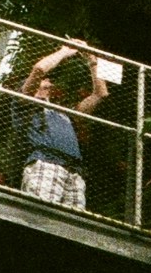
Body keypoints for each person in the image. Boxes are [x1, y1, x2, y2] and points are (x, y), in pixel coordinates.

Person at [13, 41, 107, 211]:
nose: (49, 80)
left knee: (72, 226)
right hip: (45, 163)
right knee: (40, 217)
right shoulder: (25, 104)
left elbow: (100, 94)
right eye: (44, 80)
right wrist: (66, 51)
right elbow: (39, 69)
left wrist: (91, 60)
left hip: (74, 171)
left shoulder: (64, 112)